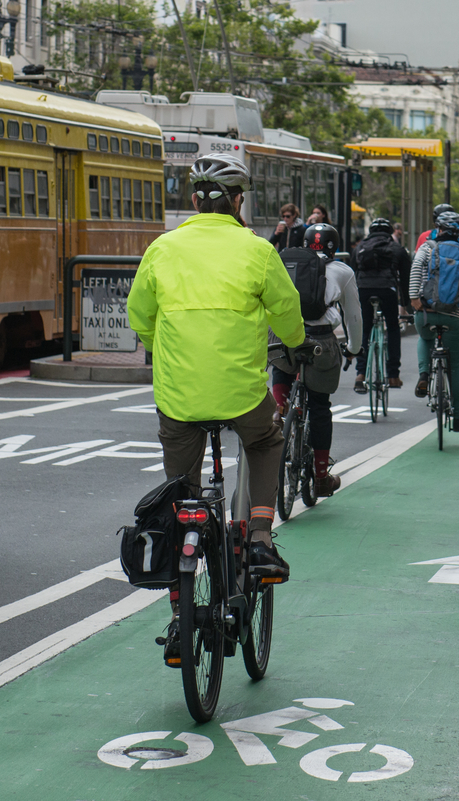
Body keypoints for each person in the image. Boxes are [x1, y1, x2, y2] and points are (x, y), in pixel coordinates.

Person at [127, 152, 303, 582]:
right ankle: (260, 536)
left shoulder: (162, 248)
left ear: (193, 199)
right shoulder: (257, 250)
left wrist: (163, 350)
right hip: (240, 395)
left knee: (182, 489)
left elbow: (139, 316)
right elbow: (286, 311)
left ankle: (178, 578)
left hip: (178, 395)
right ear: (237, 201)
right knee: (264, 441)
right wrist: (298, 347)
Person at [269, 223, 362, 496]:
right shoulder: (343, 271)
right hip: (320, 340)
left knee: (281, 363)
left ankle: (279, 409)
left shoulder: (284, 262)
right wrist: (354, 348)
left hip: (282, 335)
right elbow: (353, 317)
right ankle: (321, 476)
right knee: (320, 406)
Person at [408, 210, 459, 431]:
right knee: (455, 366)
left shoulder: (426, 248)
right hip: (454, 316)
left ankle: (424, 374)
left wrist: (414, 298)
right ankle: (457, 418)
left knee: (425, 339)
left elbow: (416, 269)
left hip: (425, 312)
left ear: (437, 228)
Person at [353, 217, 410, 392]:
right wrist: (406, 304)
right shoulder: (397, 249)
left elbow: (352, 274)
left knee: (365, 328)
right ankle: (393, 376)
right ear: (389, 232)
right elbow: (406, 279)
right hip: (387, 290)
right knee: (392, 328)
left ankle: (361, 373)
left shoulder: (359, 248)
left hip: (364, 290)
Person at [416, 203, 459, 296]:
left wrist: (414, 297)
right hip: (456, 296)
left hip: (429, 295)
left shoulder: (424, 237)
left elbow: (417, 268)